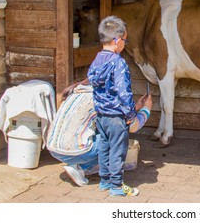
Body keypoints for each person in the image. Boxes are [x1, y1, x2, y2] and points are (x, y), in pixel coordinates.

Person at [87, 15, 152, 197]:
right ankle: (116, 186)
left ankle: (105, 180)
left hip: (101, 115)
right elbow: (124, 93)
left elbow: (93, 82)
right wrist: (131, 114)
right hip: (117, 117)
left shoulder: (97, 61)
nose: (125, 43)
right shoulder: (118, 63)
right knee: (118, 150)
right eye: (125, 40)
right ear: (116, 41)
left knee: (105, 147)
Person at [46, 79, 152, 187]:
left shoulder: (77, 90)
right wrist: (146, 109)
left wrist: (136, 107)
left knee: (101, 128)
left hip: (53, 149)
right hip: (75, 151)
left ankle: (78, 165)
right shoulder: (104, 99)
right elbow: (131, 126)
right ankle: (82, 167)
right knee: (119, 137)